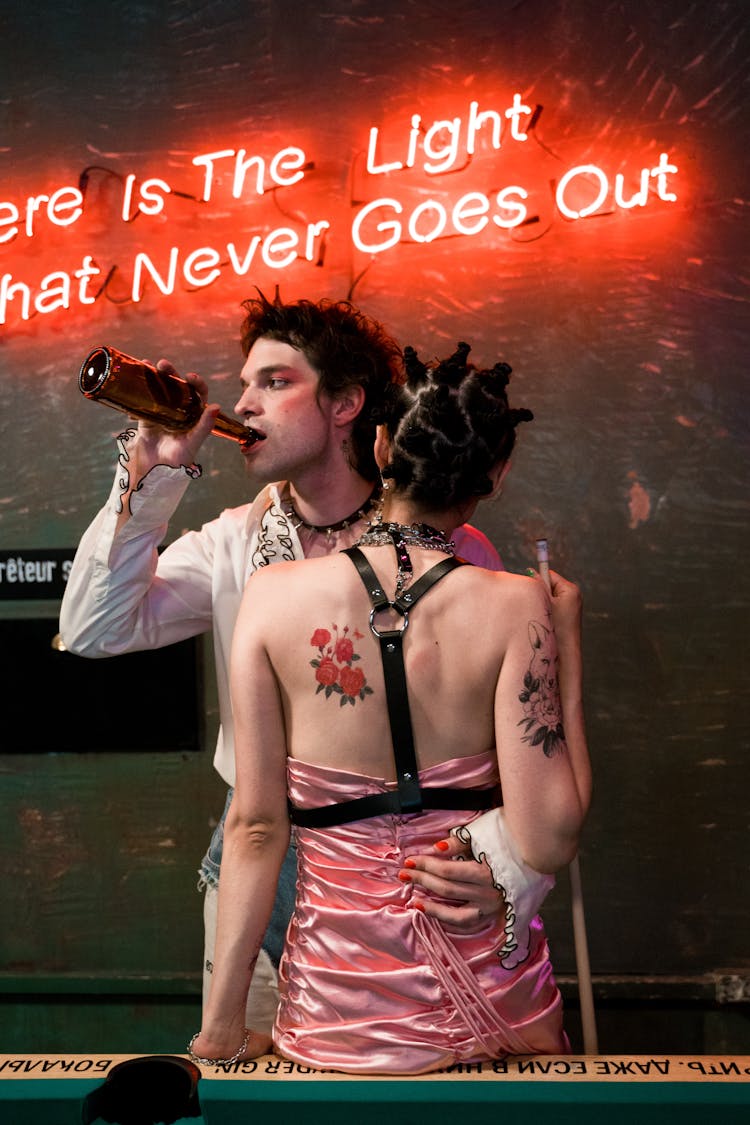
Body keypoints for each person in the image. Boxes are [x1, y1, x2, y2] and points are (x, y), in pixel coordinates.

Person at [59, 294, 510, 1038]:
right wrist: (151, 472)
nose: (242, 405)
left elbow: (503, 746)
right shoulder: (234, 541)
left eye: (274, 382)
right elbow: (91, 629)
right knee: (248, 1092)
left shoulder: (453, 553)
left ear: (344, 403)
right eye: (244, 386)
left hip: (405, 870)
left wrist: (499, 864)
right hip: (251, 871)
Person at [189, 341, 592, 1074]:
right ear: (496, 475)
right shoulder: (516, 606)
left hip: (333, 1014)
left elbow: (252, 828)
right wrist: (567, 659)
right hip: (494, 1008)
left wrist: (219, 1029)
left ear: (379, 442)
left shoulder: (273, 598)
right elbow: (547, 836)